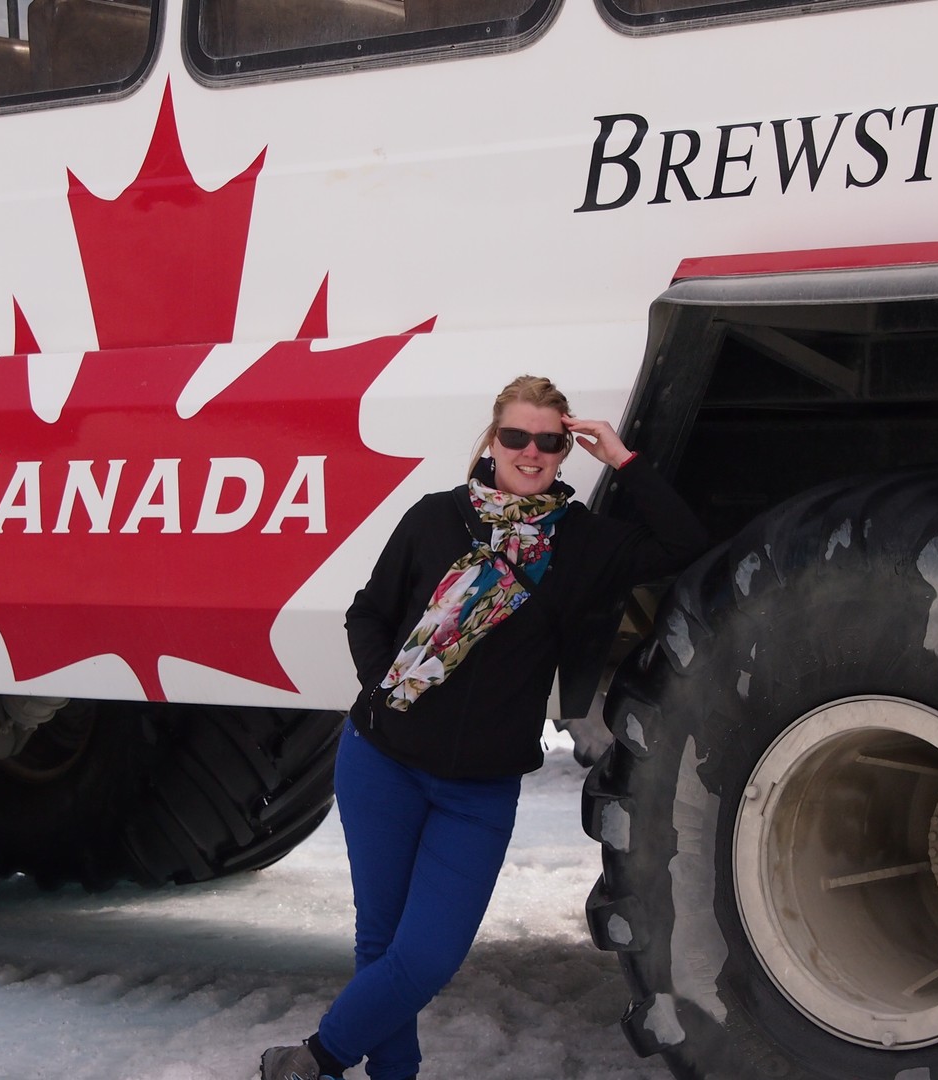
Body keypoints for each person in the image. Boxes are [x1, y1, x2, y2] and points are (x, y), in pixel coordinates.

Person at [259, 375, 708, 1080]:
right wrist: (385, 687)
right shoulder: (435, 518)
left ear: (566, 450)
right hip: (382, 760)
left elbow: (684, 541)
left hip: (479, 789)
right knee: (382, 943)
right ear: (492, 439)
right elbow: (367, 612)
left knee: (430, 956)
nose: (530, 453)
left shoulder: (583, 543)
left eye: (550, 441)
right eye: (516, 437)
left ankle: (315, 1058)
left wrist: (623, 459)